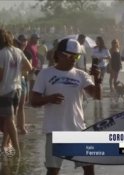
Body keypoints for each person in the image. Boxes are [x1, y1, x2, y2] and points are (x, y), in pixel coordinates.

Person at [31, 38, 101, 175]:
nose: (74, 59)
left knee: (89, 169)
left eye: (77, 56)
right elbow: (33, 101)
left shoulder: (81, 75)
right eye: (71, 55)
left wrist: (97, 81)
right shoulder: (45, 74)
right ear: (59, 54)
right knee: (53, 170)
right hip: (55, 130)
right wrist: (48, 98)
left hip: (79, 130)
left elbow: (96, 96)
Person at [0, 29, 32, 156]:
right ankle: (4, 145)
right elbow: (29, 67)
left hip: (5, 90)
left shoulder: (1, 53)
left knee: (9, 120)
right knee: (10, 119)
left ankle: (17, 150)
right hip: (17, 88)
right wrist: (16, 72)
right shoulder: (17, 51)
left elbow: (0, 76)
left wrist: (9, 73)